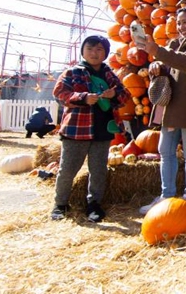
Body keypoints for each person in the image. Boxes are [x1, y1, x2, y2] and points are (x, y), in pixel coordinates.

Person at [136, 6, 186, 214]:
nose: (181, 27)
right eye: (178, 23)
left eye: (185, 22)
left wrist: (159, 52)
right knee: (166, 152)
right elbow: (172, 67)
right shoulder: (175, 44)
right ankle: (167, 195)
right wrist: (158, 68)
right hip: (172, 108)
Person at [50, 35, 130, 222]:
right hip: (76, 130)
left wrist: (114, 94)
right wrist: (83, 97)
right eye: (90, 49)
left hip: (102, 129)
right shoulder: (72, 72)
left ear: (105, 53)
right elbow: (59, 94)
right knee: (68, 169)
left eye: (99, 49)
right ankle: (60, 204)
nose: (94, 53)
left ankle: (94, 204)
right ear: (83, 51)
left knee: (98, 170)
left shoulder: (110, 74)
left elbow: (125, 95)